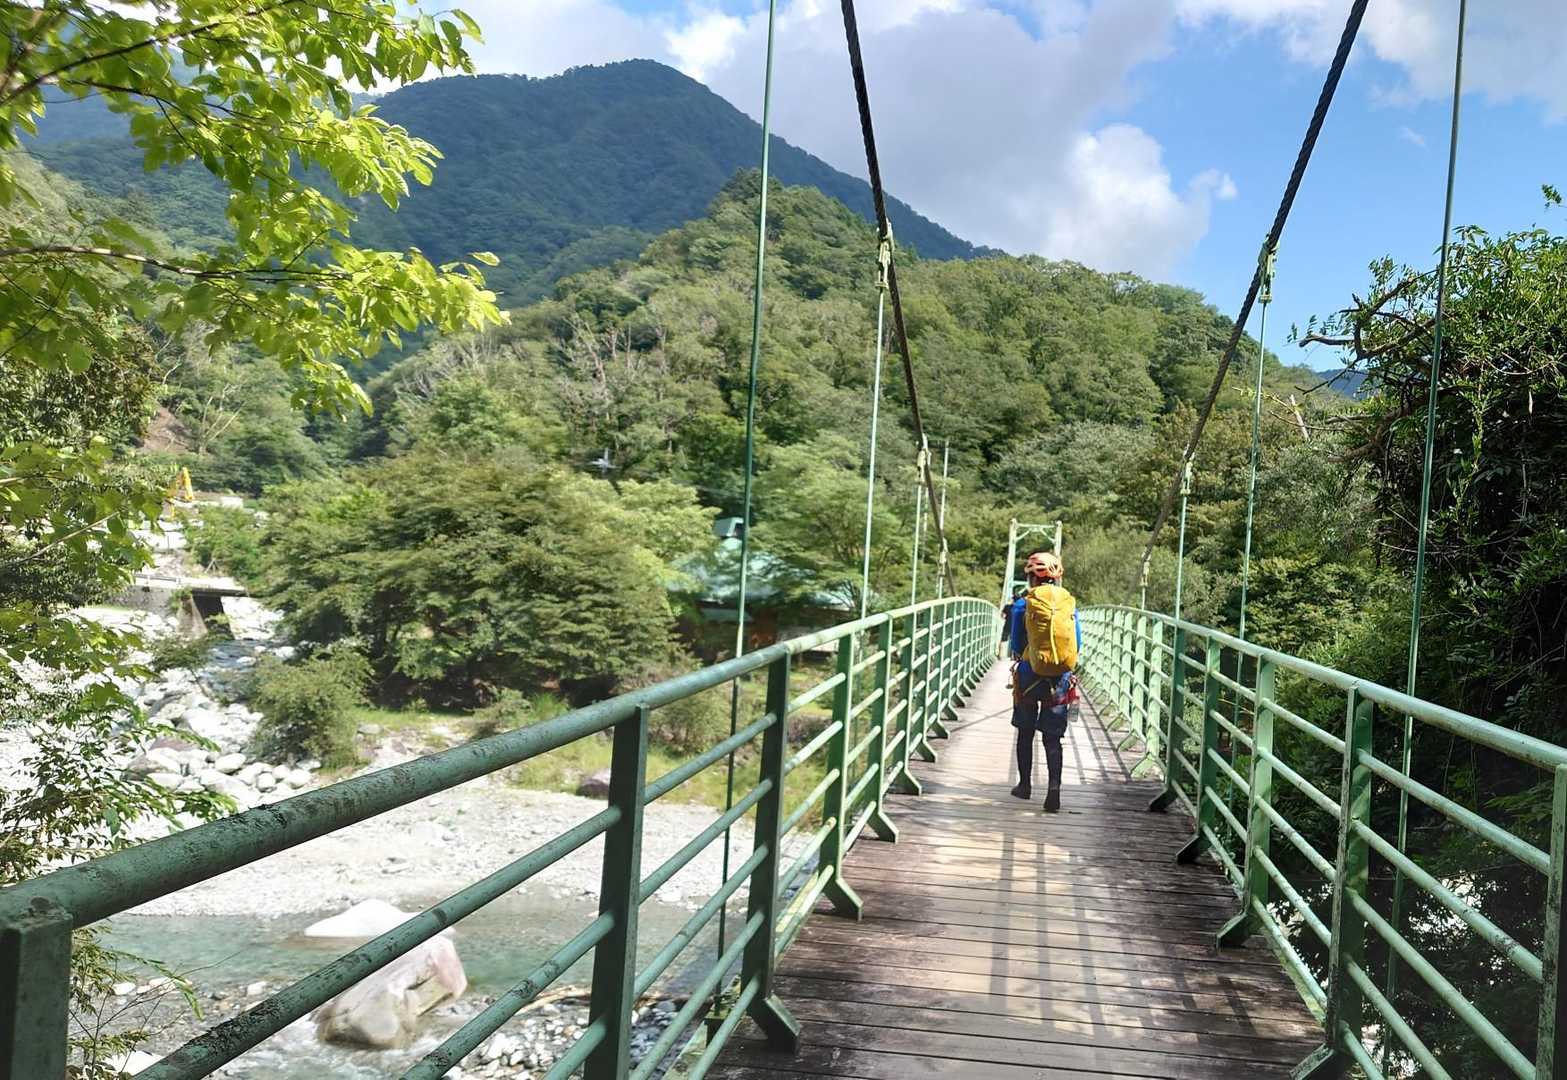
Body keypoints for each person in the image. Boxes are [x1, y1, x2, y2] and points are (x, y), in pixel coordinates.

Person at [1006, 551, 1080, 812]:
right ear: (1056, 578)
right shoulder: (1068, 604)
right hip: (1058, 677)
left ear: (1031, 578)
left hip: (1028, 675)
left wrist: (1027, 655)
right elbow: (1077, 642)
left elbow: (1016, 644)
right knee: (1052, 737)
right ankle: (1054, 791)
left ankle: (1024, 786)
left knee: (1025, 731)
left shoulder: (1022, 604)